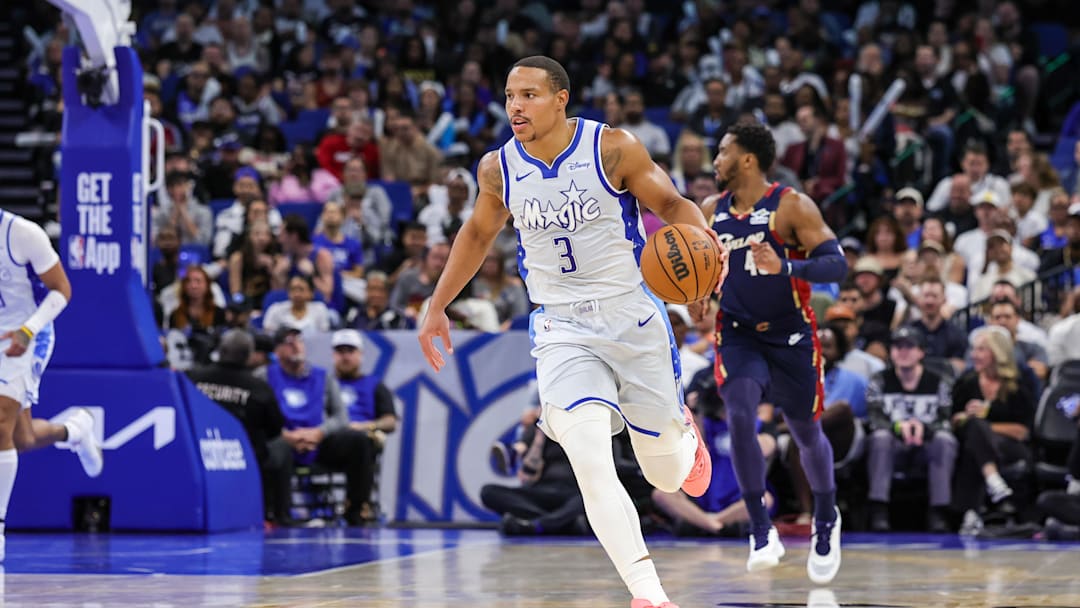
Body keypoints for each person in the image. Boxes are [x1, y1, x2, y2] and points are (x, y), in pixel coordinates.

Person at [418, 56, 721, 608]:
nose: (516, 106)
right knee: (587, 454)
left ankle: (683, 436)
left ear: (561, 99)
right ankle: (649, 595)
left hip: (632, 315)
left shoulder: (612, 148)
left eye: (529, 95)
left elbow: (673, 204)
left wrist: (706, 254)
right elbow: (478, 233)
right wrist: (437, 305)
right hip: (561, 325)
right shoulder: (498, 169)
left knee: (666, 475)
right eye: (509, 96)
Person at [697, 120, 845, 583]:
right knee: (740, 413)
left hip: (790, 332)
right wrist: (696, 293)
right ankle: (760, 530)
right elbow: (701, 269)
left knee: (805, 431)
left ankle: (826, 516)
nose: (715, 160)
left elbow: (836, 265)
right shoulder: (710, 210)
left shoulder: (790, 205)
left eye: (723, 151)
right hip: (737, 331)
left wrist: (786, 266)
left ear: (747, 159)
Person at [0, 211, 102, 560]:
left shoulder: (22, 233)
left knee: (0, 422)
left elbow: (62, 289)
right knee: (22, 439)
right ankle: (74, 429)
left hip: (28, 334)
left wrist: (27, 331)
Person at [258, 327, 375, 526]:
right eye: (289, 342)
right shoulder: (264, 376)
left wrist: (319, 432)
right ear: (277, 351)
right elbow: (258, 417)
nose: (296, 346)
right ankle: (279, 515)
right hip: (284, 440)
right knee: (273, 446)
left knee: (360, 441)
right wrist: (287, 436)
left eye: (299, 340)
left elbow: (341, 417)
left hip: (318, 442)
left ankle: (355, 511)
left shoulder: (323, 376)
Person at [186, 329, 285, 522]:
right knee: (281, 447)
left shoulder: (192, 378)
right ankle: (275, 513)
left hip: (198, 453)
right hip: (243, 458)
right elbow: (275, 429)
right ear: (249, 356)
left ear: (220, 351)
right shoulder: (259, 388)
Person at [865, 327, 957, 533]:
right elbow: (874, 418)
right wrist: (898, 427)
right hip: (893, 445)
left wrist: (925, 428)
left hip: (927, 445)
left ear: (921, 352)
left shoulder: (938, 381)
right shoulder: (879, 380)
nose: (903, 352)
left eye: (909, 347)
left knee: (945, 440)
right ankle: (879, 509)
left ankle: (939, 511)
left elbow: (945, 419)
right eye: (898, 347)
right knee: (880, 438)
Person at [950, 326, 1035, 534]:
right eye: (974, 349)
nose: (974, 355)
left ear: (997, 353)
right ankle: (993, 481)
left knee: (976, 432)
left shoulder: (1016, 387)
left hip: (1010, 447)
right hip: (973, 446)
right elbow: (952, 422)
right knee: (973, 437)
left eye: (981, 349)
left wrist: (985, 420)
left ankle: (971, 512)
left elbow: (1022, 432)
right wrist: (963, 418)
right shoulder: (966, 383)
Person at [331, 329, 396, 522]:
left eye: (350, 351)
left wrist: (365, 426)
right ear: (333, 355)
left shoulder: (374, 385)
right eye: (340, 351)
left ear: (360, 354)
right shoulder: (324, 383)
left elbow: (390, 421)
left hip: (360, 441)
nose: (345, 357)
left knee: (361, 442)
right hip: (329, 441)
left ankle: (356, 507)